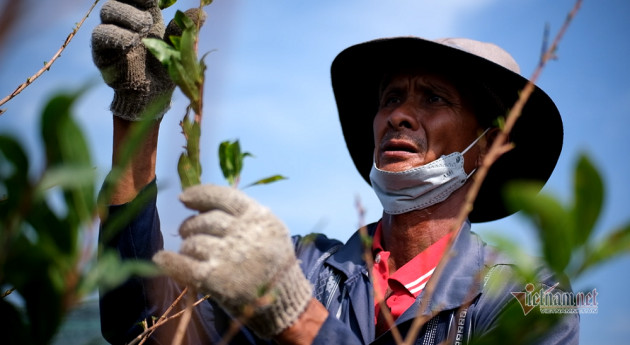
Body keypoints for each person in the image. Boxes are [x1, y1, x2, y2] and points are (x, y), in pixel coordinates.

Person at [93, 1, 580, 344]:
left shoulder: (537, 299)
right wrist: (136, 120)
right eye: (390, 98)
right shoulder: (303, 267)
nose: (398, 116)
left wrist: (296, 318)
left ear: (489, 148)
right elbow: (144, 324)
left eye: (433, 98)